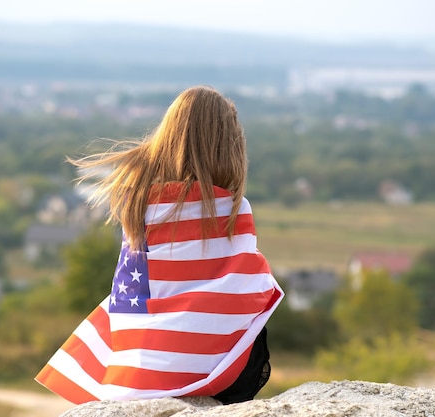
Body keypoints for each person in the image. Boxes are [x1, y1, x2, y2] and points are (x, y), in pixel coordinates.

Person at [35, 85, 283, 405]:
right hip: (207, 372)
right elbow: (252, 285)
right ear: (230, 148)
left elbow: (129, 298)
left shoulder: (136, 203)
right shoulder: (232, 207)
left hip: (136, 367)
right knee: (258, 315)